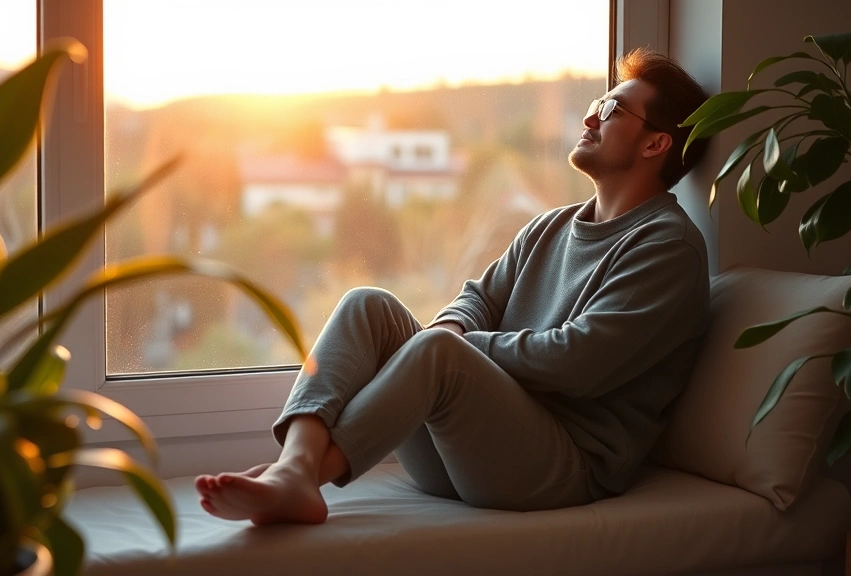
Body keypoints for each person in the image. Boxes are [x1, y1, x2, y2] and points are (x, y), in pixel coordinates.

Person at [195, 48, 712, 525]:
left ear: (656, 142)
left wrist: (456, 345)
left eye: (613, 108)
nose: (590, 115)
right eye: (598, 102)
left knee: (442, 347)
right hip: (464, 453)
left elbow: (580, 362)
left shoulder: (668, 247)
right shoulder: (551, 226)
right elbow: (478, 300)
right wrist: (454, 328)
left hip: (557, 469)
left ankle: (302, 479)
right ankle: (296, 467)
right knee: (367, 306)